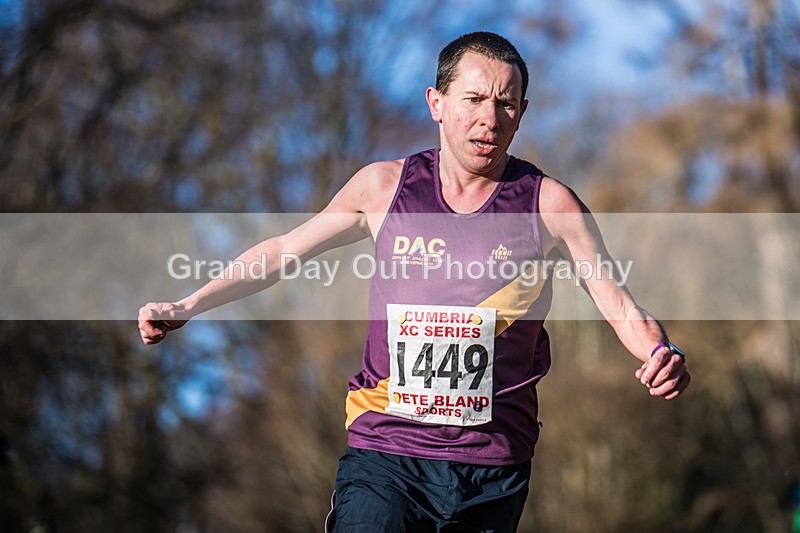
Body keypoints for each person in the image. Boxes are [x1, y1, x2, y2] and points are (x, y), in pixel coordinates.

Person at [138, 31, 691, 532]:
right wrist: (190, 303)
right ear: (437, 104)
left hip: (492, 464)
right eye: (473, 100)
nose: (489, 118)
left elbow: (618, 300)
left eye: (505, 104)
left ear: (522, 113)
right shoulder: (383, 189)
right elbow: (284, 252)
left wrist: (659, 351)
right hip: (386, 450)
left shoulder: (548, 205)